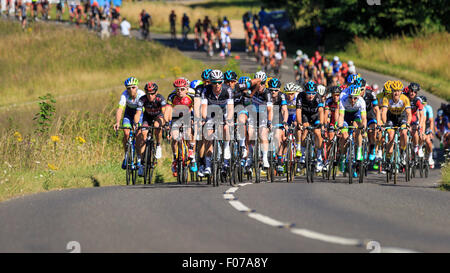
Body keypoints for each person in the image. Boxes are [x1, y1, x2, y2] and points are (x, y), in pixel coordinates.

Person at [134, 82, 168, 177]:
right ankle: (141, 163)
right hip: (147, 117)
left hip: (158, 116)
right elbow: (138, 113)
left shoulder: (160, 99)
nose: (150, 96)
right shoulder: (142, 99)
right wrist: (136, 124)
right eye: (148, 93)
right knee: (142, 134)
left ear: (156, 92)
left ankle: (158, 145)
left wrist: (166, 123)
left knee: (157, 126)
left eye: (152, 93)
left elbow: (164, 112)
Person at [113, 77, 145, 170]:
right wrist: (118, 122)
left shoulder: (141, 95)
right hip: (128, 114)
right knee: (126, 133)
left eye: (133, 87)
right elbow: (120, 109)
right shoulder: (124, 94)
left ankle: (139, 158)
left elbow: (141, 111)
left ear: (137, 87)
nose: (131, 90)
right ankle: (126, 155)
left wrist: (137, 123)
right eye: (128, 88)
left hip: (139, 114)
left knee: (138, 135)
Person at [296, 81, 325, 172]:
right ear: (305, 92)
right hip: (305, 116)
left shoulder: (318, 97)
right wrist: (299, 124)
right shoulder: (300, 96)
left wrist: (322, 124)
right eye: (309, 93)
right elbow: (298, 111)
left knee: (317, 132)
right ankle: (303, 157)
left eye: (313, 93)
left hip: (315, 115)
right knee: (305, 130)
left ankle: (319, 158)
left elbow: (321, 111)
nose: (311, 95)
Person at [381, 80, 412, 166]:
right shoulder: (386, 98)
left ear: (401, 91)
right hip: (391, 117)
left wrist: (408, 124)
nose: (396, 93)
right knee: (391, 135)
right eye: (394, 90)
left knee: (404, 132)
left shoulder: (405, 99)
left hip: (401, 117)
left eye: (398, 91)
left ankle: (403, 150)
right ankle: (388, 155)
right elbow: (383, 112)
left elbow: (409, 114)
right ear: (391, 91)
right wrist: (384, 123)